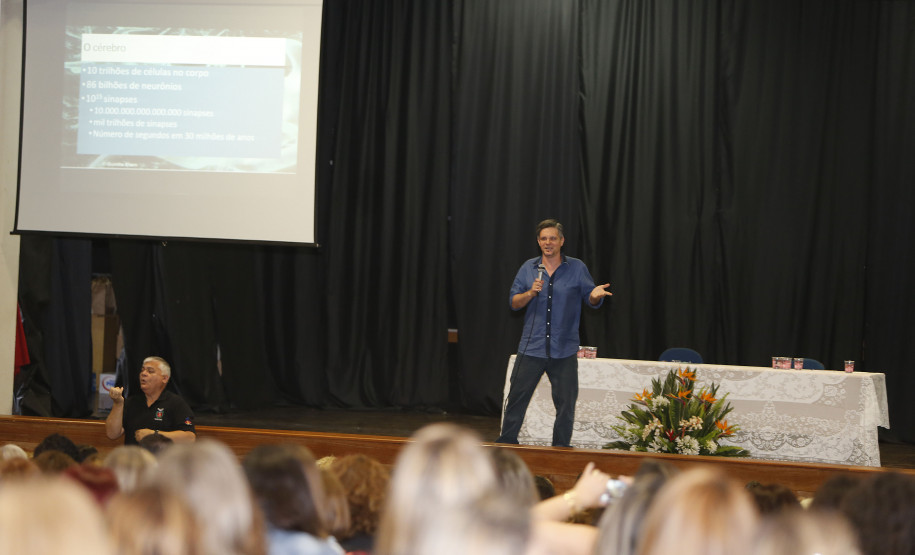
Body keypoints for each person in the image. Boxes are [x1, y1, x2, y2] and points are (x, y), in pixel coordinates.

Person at [497, 219, 612, 447]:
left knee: (566, 406)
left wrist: (595, 295)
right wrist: (531, 292)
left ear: (561, 241)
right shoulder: (528, 268)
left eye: (552, 238)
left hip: (564, 350)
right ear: (538, 242)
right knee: (516, 402)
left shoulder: (577, 267)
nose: (548, 242)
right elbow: (514, 302)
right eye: (543, 238)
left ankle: (560, 451)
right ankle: (506, 445)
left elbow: (590, 297)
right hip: (532, 348)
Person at [105, 356, 196, 445]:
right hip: (134, 458)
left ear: (164, 378)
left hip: (161, 459)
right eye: (142, 370)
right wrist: (118, 403)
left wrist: (154, 434)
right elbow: (112, 434)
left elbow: (190, 437)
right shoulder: (132, 402)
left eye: (150, 371)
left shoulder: (176, 403)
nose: (143, 373)